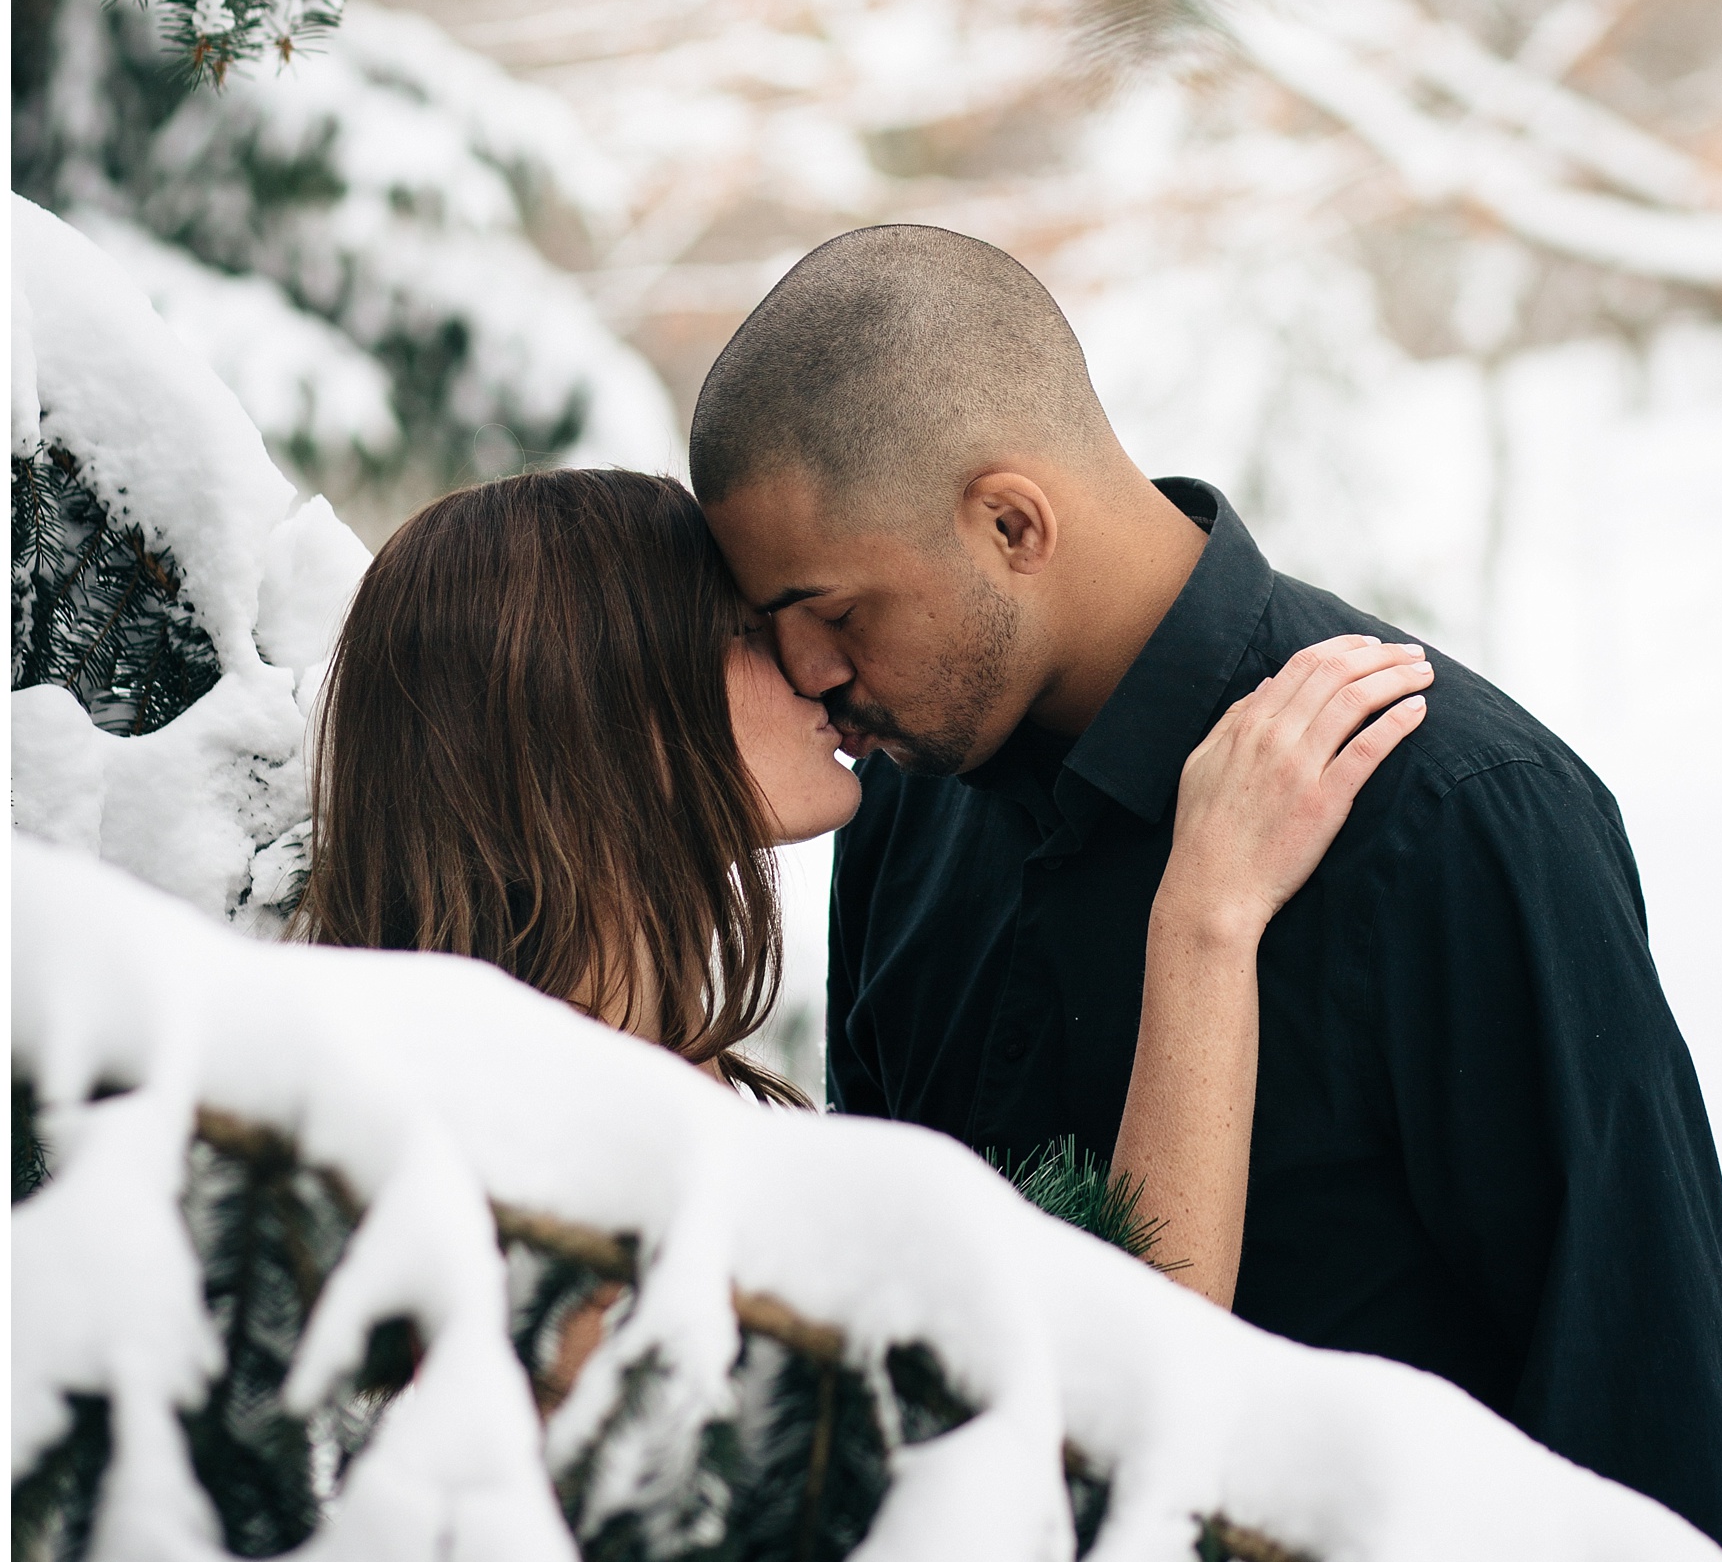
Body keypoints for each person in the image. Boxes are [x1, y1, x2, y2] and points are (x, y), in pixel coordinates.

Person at [690, 224, 1722, 1562]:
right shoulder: (907, 800)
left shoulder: (1452, 809)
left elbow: (1641, 1417)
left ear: (1011, 522)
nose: (806, 674)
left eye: (830, 609)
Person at [300, 468, 1423, 1261]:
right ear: (606, 711)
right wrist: (1207, 917)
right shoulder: (570, 1161)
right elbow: (1087, 1437)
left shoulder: (614, 1081)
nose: (815, 666)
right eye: (753, 628)